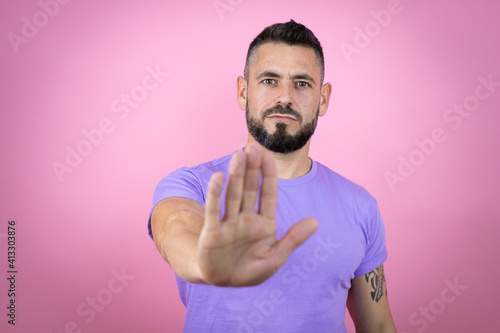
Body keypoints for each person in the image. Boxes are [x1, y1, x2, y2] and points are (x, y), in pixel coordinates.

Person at [149, 20, 397, 333]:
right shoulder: (192, 184)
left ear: (322, 99)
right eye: (269, 81)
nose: (285, 97)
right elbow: (174, 226)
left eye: (302, 84)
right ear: (243, 92)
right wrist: (204, 260)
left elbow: (379, 327)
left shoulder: (361, 206)